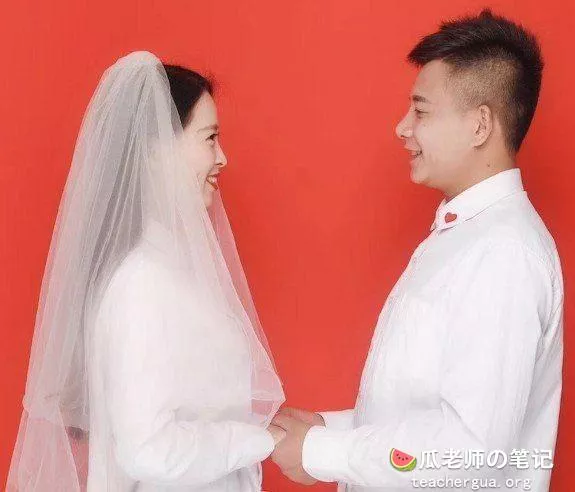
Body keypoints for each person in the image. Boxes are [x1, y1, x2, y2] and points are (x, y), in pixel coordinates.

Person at [271, 10, 563, 492]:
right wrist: (328, 433)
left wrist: (323, 451)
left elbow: (468, 453)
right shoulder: (466, 237)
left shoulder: (503, 254)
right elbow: (420, 413)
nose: (402, 128)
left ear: (480, 125)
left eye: (421, 112)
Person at [8, 51, 285, 491]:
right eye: (210, 138)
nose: (223, 158)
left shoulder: (173, 270)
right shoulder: (143, 282)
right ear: (156, 150)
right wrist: (260, 441)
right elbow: (148, 450)